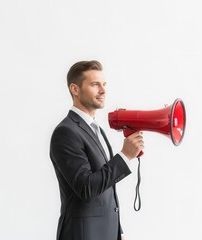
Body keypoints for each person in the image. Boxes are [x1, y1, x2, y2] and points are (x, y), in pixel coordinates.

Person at [50, 60, 144, 240]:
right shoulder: (66, 132)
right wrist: (124, 156)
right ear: (75, 89)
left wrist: (117, 231)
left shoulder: (97, 130)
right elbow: (86, 188)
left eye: (104, 84)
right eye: (95, 85)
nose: (103, 90)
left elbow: (105, 188)